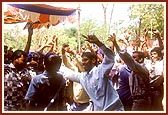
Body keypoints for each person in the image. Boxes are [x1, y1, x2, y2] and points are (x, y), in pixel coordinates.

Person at [60, 34, 124, 111]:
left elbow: (110, 57)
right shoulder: (82, 77)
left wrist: (98, 43)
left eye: (85, 60)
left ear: (93, 60)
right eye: (82, 60)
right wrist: (56, 63)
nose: (83, 63)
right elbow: (68, 73)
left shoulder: (101, 70)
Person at [109, 33, 151, 111]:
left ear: (141, 59)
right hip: (137, 100)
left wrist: (115, 44)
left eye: (134, 58)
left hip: (141, 101)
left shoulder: (141, 68)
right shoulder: (134, 70)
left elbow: (127, 58)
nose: (132, 59)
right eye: (132, 57)